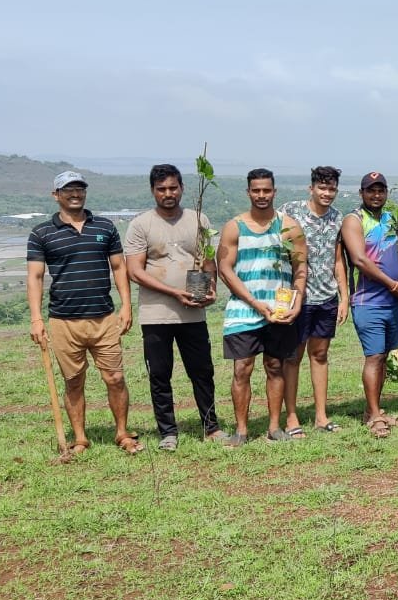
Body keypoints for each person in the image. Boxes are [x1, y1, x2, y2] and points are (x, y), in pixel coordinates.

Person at [27, 170, 140, 455]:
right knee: (73, 381)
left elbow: (118, 268)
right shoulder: (41, 233)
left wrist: (126, 306)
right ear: (56, 195)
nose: (75, 194)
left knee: (115, 378)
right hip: (64, 320)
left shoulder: (105, 226)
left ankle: (123, 433)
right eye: (68, 190)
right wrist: (36, 319)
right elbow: (36, 277)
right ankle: (79, 439)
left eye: (79, 189)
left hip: (103, 317)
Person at [123, 164, 225, 450]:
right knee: (159, 373)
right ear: (153, 191)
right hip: (156, 314)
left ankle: (211, 426)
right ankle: (168, 431)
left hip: (193, 312)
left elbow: (207, 260)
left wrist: (212, 286)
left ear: (182, 188)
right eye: (161, 189)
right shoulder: (141, 224)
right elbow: (135, 271)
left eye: (173, 187)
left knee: (202, 371)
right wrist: (173, 292)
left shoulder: (199, 219)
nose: (168, 193)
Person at [217, 168, 308, 446]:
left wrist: (298, 300)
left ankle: (274, 427)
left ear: (274, 192)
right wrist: (254, 303)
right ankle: (241, 431)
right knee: (242, 368)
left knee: (275, 366)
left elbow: (301, 266)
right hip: (243, 310)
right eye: (256, 190)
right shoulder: (235, 226)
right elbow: (225, 268)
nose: (261, 195)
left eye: (266, 190)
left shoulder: (289, 226)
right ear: (248, 192)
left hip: (279, 310)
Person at [342, 170, 398, 439]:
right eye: (370, 190)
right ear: (362, 193)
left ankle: (373, 409)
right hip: (368, 301)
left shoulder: (391, 219)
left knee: (384, 355)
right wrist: (391, 283)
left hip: (392, 300)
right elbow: (360, 261)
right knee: (373, 356)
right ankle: (374, 415)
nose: (376, 195)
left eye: (380, 190)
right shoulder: (354, 220)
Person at [280, 166, 348, 433]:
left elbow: (337, 259)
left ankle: (321, 416)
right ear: (311, 188)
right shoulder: (291, 211)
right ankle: (292, 417)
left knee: (320, 354)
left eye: (331, 189)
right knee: (293, 356)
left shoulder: (337, 217)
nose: (326, 193)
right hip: (297, 297)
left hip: (326, 296)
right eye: (322, 187)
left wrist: (344, 296)